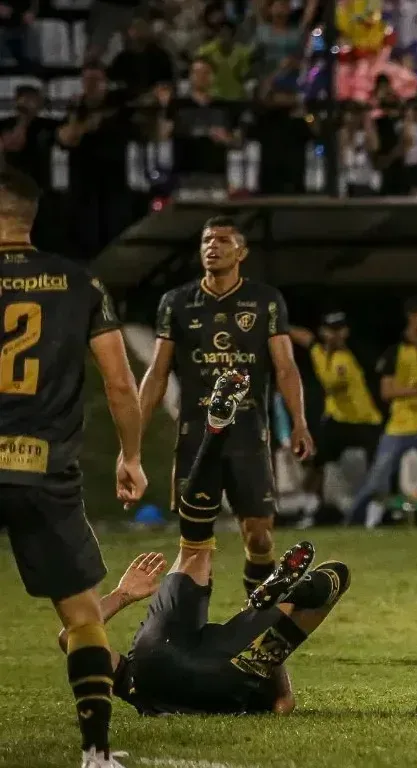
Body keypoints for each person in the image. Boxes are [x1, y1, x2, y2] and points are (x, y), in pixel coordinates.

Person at [63, 370, 351, 717]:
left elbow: (71, 637)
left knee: (199, 555)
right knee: (330, 575)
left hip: (163, 667)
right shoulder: (136, 685)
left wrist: (124, 594)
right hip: (217, 676)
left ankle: (215, 434)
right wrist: (121, 595)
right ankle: (283, 596)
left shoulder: (136, 686)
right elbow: (283, 704)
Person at [0, 168, 147, 768]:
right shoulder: (80, 283)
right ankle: (95, 752)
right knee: (83, 615)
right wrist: (131, 456)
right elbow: (118, 382)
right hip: (43, 468)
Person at [138, 216, 314, 596]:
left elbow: (285, 367)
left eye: (221, 240)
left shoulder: (265, 301)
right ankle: (190, 630)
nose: (212, 247)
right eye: (205, 241)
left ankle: (256, 624)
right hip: (196, 438)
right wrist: (132, 436)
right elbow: (156, 373)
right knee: (195, 546)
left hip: (249, 434)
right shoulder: (177, 302)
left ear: (241, 252)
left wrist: (299, 421)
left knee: (262, 539)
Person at [347, 295, 417, 526]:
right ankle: (351, 521)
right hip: (400, 427)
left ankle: (414, 501)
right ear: (413, 317)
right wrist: (412, 391)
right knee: (377, 481)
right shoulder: (395, 352)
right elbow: (386, 392)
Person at [288, 312, 382, 526]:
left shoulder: (347, 358)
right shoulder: (319, 351)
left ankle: (374, 512)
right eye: (331, 330)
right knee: (314, 460)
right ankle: (312, 507)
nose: (335, 335)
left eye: (339, 330)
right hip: (338, 420)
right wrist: (279, 324)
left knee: (378, 468)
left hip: (366, 421)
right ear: (323, 332)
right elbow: (305, 337)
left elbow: (331, 384)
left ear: (346, 333)